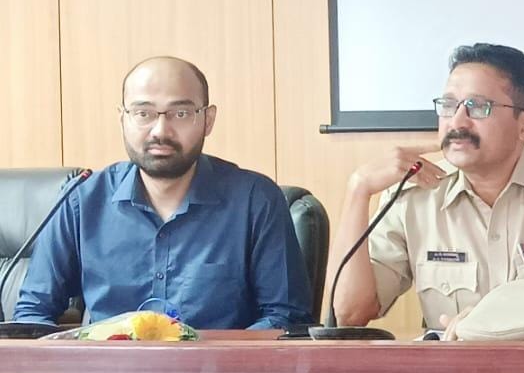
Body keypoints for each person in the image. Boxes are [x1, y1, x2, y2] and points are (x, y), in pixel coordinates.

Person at [329, 43, 524, 331]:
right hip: (453, 371)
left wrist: (515, 319)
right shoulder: (414, 193)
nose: (457, 122)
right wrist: (358, 191)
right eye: (449, 105)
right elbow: (350, 313)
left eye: (478, 107)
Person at [13, 57, 312, 329]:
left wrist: (220, 359)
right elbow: (33, 312)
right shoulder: (82, 200)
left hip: (216, 370)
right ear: (123, 118)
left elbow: (285, 318)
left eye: (180, 113)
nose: (160, 130)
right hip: (109, 369)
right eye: (143, 113)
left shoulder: (255, 201)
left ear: (207, 120)